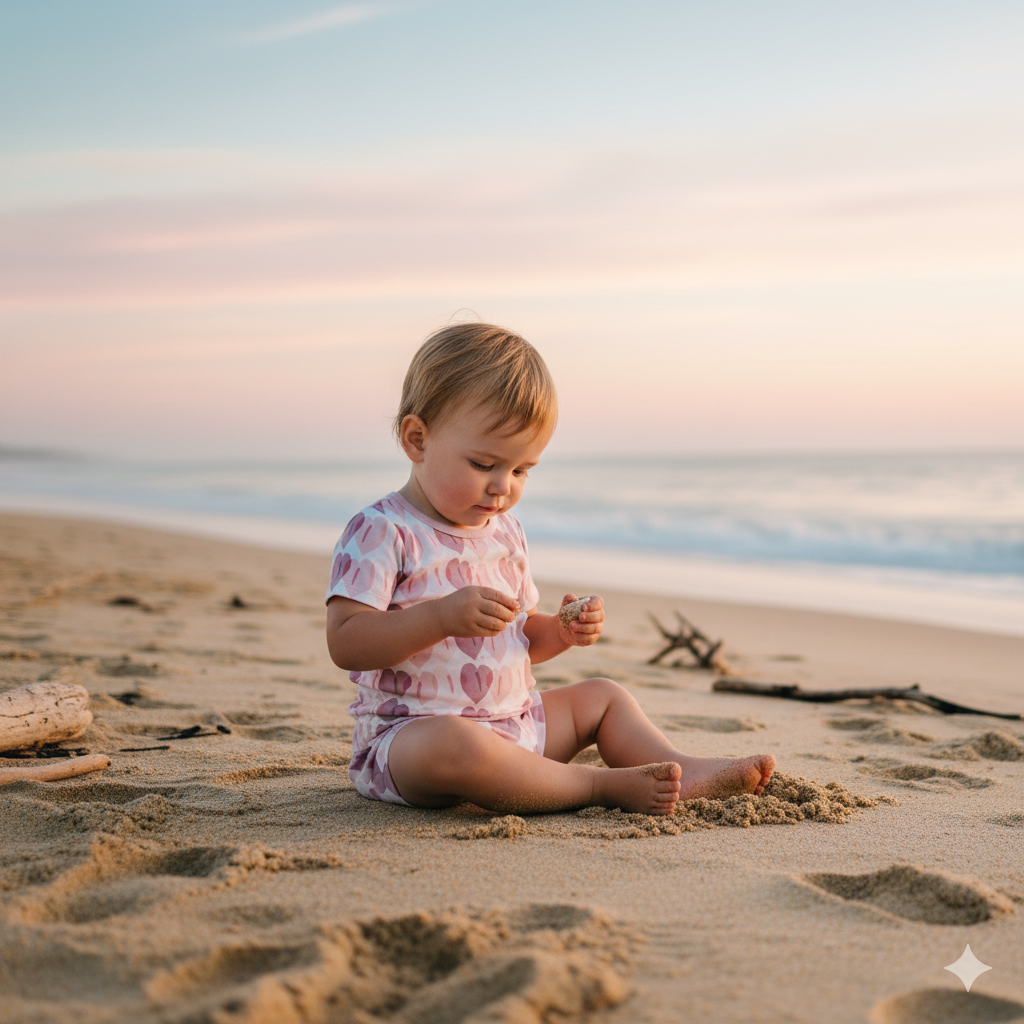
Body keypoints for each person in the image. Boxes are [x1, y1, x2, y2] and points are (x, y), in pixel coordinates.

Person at [326, 323, 775, 815]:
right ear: (418, 440)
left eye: (521, 470)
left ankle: (676, 768)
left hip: (515, 725)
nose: (503, 487)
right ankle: (594, 787)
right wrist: (437, 619)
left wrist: (560, 632)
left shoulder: (506, 533)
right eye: (482, 464)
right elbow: (347, 642)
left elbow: (520, 644)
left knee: (603, 697)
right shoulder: (382, 530)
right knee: (460, 745)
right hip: (411, 742)